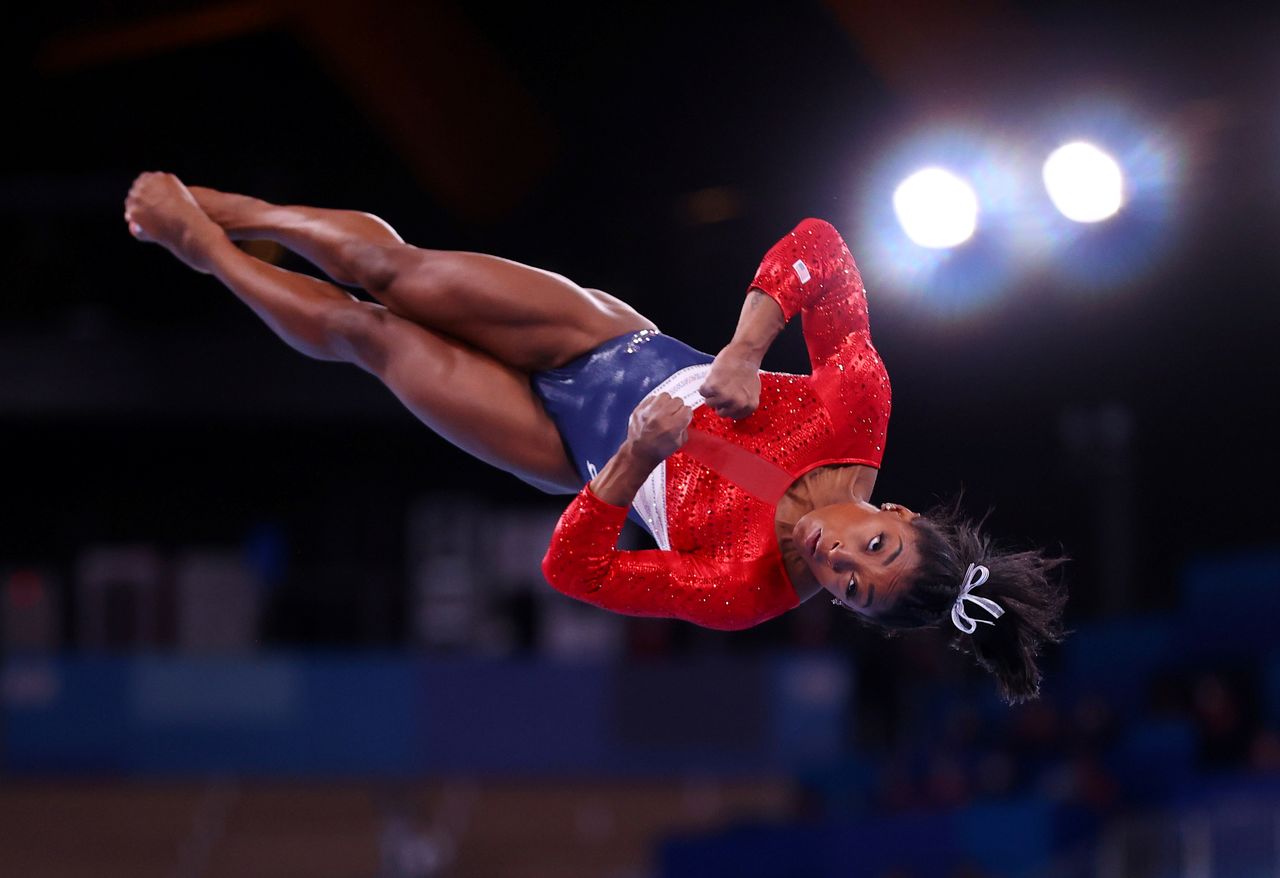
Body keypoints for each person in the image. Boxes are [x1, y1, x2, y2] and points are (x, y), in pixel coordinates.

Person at [124, 172, 1066, 703]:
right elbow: (820, 245)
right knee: (392, 269)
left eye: (853, 589)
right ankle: (236, 214)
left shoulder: (745, 590)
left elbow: (576, 573)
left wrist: (632, 460)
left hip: (559, 445)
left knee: (371, 335)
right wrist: (744, 349)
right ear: (895, 511)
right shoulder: (855, 407)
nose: (838, 559)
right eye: (874, 546)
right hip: (611, 344)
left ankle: (201, 251)